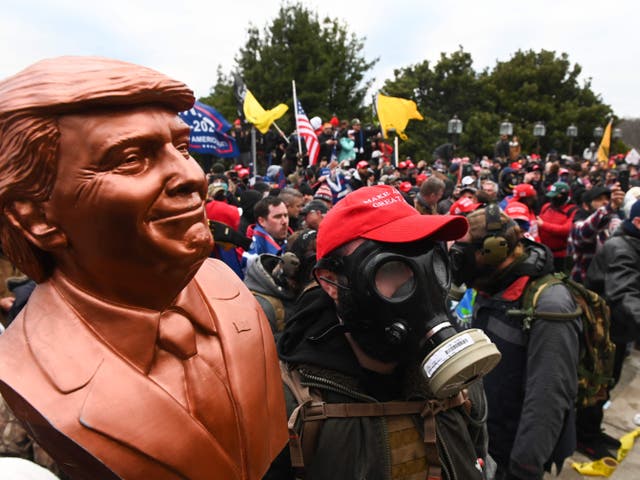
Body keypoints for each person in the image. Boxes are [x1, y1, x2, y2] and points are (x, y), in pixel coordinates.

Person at [0, 56, 287, 480]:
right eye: (132, 159)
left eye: (183, 148)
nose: (191, 176)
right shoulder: (24, 366)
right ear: (35, 217)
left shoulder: (231, 290)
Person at [268, 185, 497, 480]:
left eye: (431, 263)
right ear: (331, 283)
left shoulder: (460, 385)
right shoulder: (287, 401)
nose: (420, 287)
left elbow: (479, 462)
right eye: (391, 267)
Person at [449, 204, 580, 479]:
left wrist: (524, 468)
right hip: (486, 439)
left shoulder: (550, 304)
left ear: (493, 250)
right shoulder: (488, 285)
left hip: (513, 454)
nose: (457, 262)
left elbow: (547, 398)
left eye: (462, 254)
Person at [580, 199, 640, 458]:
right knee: (596, 386)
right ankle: (584, 437)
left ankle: (591, 431)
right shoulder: (621, 249)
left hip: (615, 333)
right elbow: (624, 294)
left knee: (606, 384)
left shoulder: (632, 244)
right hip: (602, 334)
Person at [567, 185, 625, 283]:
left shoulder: (611, 221)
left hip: (608, 284)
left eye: (607, 199)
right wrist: (609, 208)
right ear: (586, 206)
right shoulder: (578, 225)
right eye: (599, 199)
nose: (605, 202)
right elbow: (585, 231)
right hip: (584, 285)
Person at [537, 182, 577, 272]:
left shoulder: (572, 210)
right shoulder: (546, 207)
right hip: (544, 252)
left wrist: (543, 225)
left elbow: (566, 230)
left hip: (560, 256)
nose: (553, 199)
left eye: (556, 196)